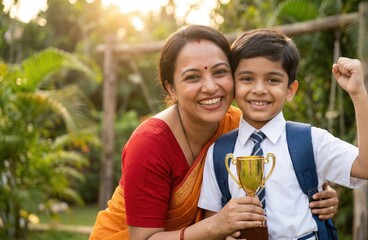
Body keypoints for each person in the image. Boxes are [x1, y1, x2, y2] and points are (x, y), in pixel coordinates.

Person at [89, 25, 340, 240]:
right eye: (192, 77)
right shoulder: (150, 144)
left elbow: (285, 170)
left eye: (220, 72)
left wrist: (319, 196)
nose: (210, 87)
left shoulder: (241, 125)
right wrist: (216, 226)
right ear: (171, 88)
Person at [198, 29, 368, 239]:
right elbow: (211, 223)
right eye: (247, 78)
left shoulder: (311, 141)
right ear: (233, 85)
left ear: (290, 90)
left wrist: (358, 93)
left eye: (273, 80)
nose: (259, 89)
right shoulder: (219, 152)